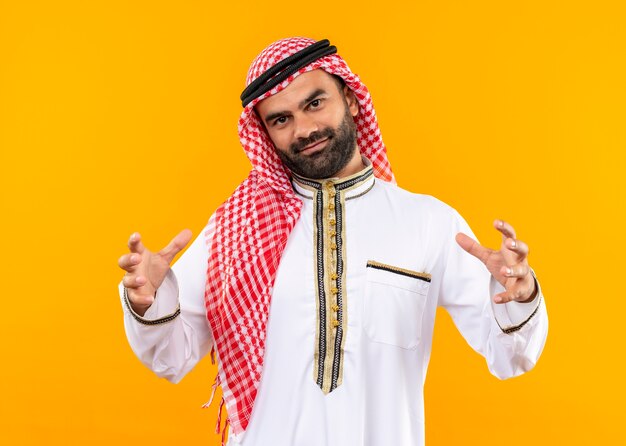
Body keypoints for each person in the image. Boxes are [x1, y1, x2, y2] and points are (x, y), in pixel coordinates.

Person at [117, 37, 548, 446]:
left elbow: (509, 356)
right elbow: (171, 358)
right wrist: (148, 301)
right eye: (281, 119)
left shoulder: (429, 222)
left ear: (352, 99)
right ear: (265, 134)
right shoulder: (235, 231)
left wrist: (519, 294)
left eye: (315, 102)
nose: (304, 128)